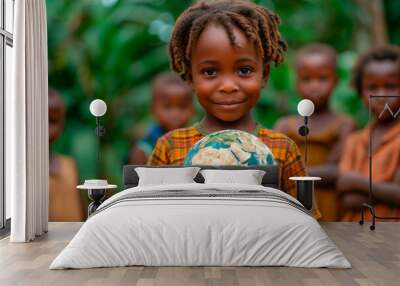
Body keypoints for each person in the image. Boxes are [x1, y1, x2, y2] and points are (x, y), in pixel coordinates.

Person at [147, 0, 319, 218]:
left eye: (244, 70)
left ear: (264, 75)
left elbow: (307, 220)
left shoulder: (283, 150)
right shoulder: (169, 147)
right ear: (190, 78)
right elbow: (150, 213)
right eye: (210, 72)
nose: (228, 86)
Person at [274, 44, 356, 221]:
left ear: (335, 81)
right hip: (292, 206)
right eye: (307, 79)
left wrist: (292, 173)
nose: (314, 86)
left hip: (330, 206)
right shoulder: (284, 125)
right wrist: (323, 172)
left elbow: (342, 172)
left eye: (322, 78)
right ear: (296, 83)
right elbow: (273, 171)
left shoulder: (344, 124)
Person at [338, 45, 400, 222]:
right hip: (354, 237)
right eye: (372, 87)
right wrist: (384, 190)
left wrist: (357, 182)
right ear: (359, 90)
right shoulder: (354, 141)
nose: (381, 96)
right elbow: (347, 199)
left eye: (391, 87)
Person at [128, 72, 195, 164]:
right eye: (168, 107)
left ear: (192, 110)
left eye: (182, 106)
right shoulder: (144, 150)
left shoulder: (198, 144)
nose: (175, 113)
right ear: (153, 109)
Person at [49, 88, 85, 221]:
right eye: (39, 119)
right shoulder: (21, 173)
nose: (44, 127)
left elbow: (81, 213)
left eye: (51, 121)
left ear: (62, 124)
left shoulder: (69, 165)